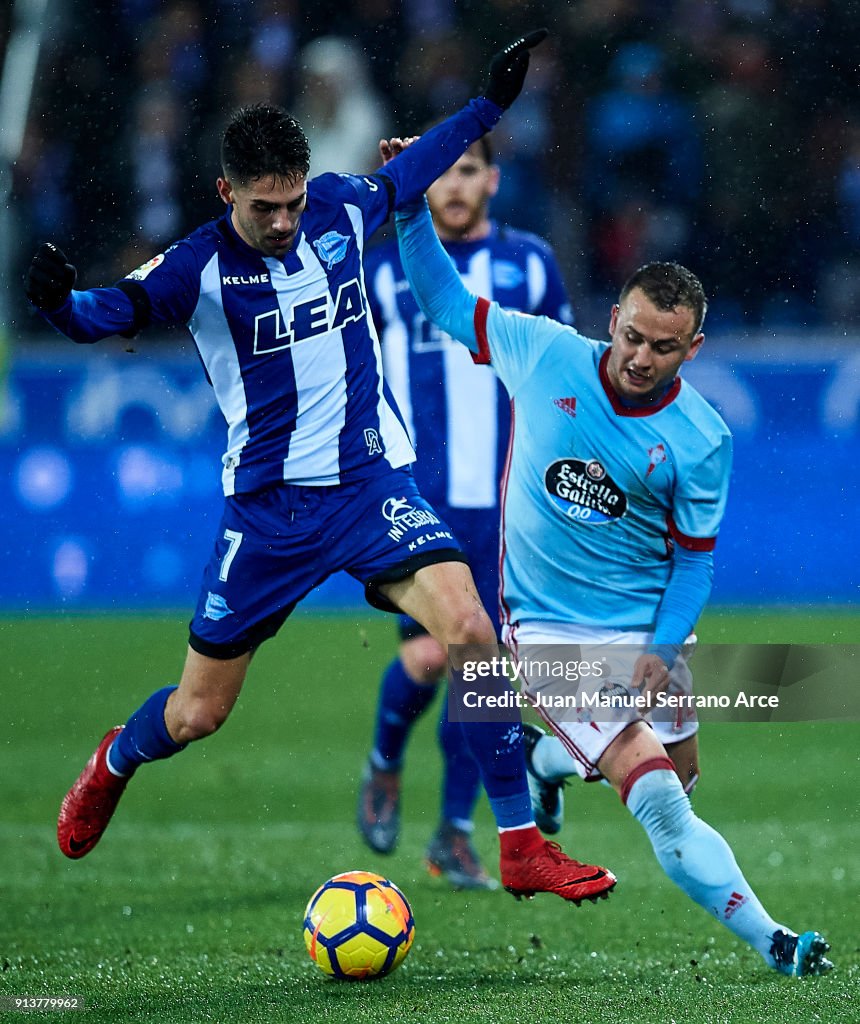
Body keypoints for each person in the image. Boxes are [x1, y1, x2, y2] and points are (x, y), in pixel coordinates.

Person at [25, 31, 618, 907]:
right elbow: (113, 309)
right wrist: (56, 303)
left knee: (471, 634)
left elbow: (417, 170)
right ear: (226, 192)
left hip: (370, 486)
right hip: (267, 513)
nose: (285, 221)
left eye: (293, 202)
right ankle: (115, 759)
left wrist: (490, 105)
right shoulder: (196, 267)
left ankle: (520, 845)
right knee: (198, 714)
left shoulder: (341, 208)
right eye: (266, 207)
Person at [391, 192, 834, 975]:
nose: (639, 356)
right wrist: (407, 208)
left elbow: (694, 560)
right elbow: (442, 300)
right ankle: (777, 943)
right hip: (549, 631)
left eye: (663, 347)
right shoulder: (543, 351)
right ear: (613, 319)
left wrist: (663, 650)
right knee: (660, 798)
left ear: (691, 348)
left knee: (683, 780)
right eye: (631, 336)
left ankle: (544, 763)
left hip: (647, 630)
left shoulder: (701, 439)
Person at [357, 133, 574, 890]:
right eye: (441, 172)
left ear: (492, 179)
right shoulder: (380, 268)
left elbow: (559, 372)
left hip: (507, 504)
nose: (453, 186)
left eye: (468, 170)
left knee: (481, 674)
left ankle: (453, 830)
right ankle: (385, 764)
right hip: (414, 495)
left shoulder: (530, 265)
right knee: (427, 656)